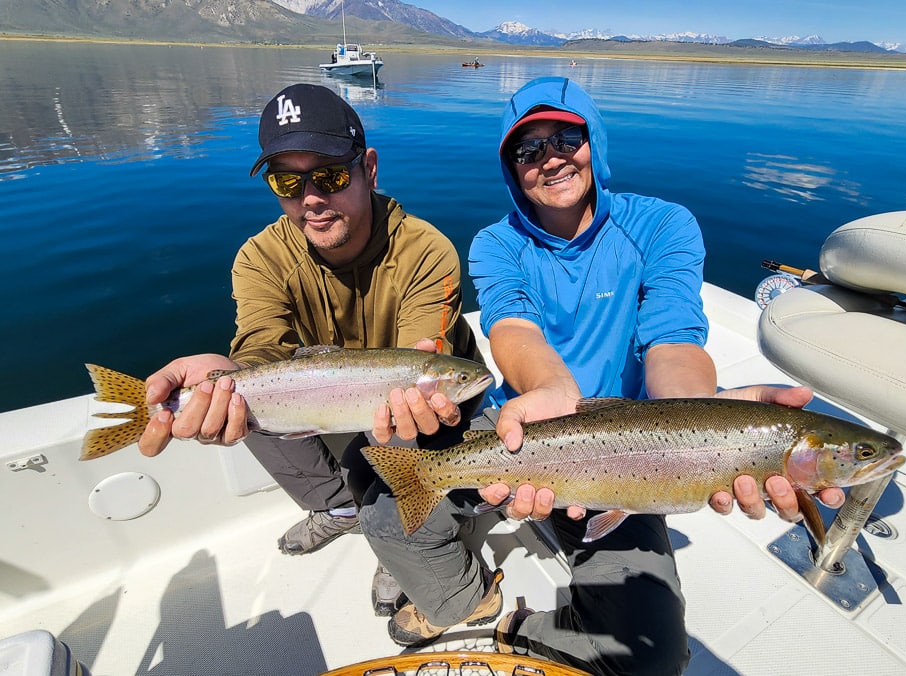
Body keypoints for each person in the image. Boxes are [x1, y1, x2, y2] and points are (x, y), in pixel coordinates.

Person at [359, 77, 844, 675]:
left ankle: (523, 626)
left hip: (638, 450)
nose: (552, 158)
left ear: (594, 140)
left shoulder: (663, 225)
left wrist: (699, 419)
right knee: (386, 512)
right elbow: (513, 330)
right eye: (528, 150)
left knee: (653, 661)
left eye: (567, 138)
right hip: (522, 426)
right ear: (512, 168)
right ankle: (463, 596)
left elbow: (671, 337)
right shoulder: (495, 243)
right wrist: (553, 392)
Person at [137, 83, 483, 612]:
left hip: (424, 409)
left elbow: (425, 350)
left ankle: (396, 538)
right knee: (241, 401)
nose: (311, 199)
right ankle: (340, 508)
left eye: (329, 175)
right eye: (287, 182)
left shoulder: (426, 250)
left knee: (407, 432)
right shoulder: (259, 258)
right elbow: (257, 354)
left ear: (368, 168)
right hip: (333, 394)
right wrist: (222, 376)